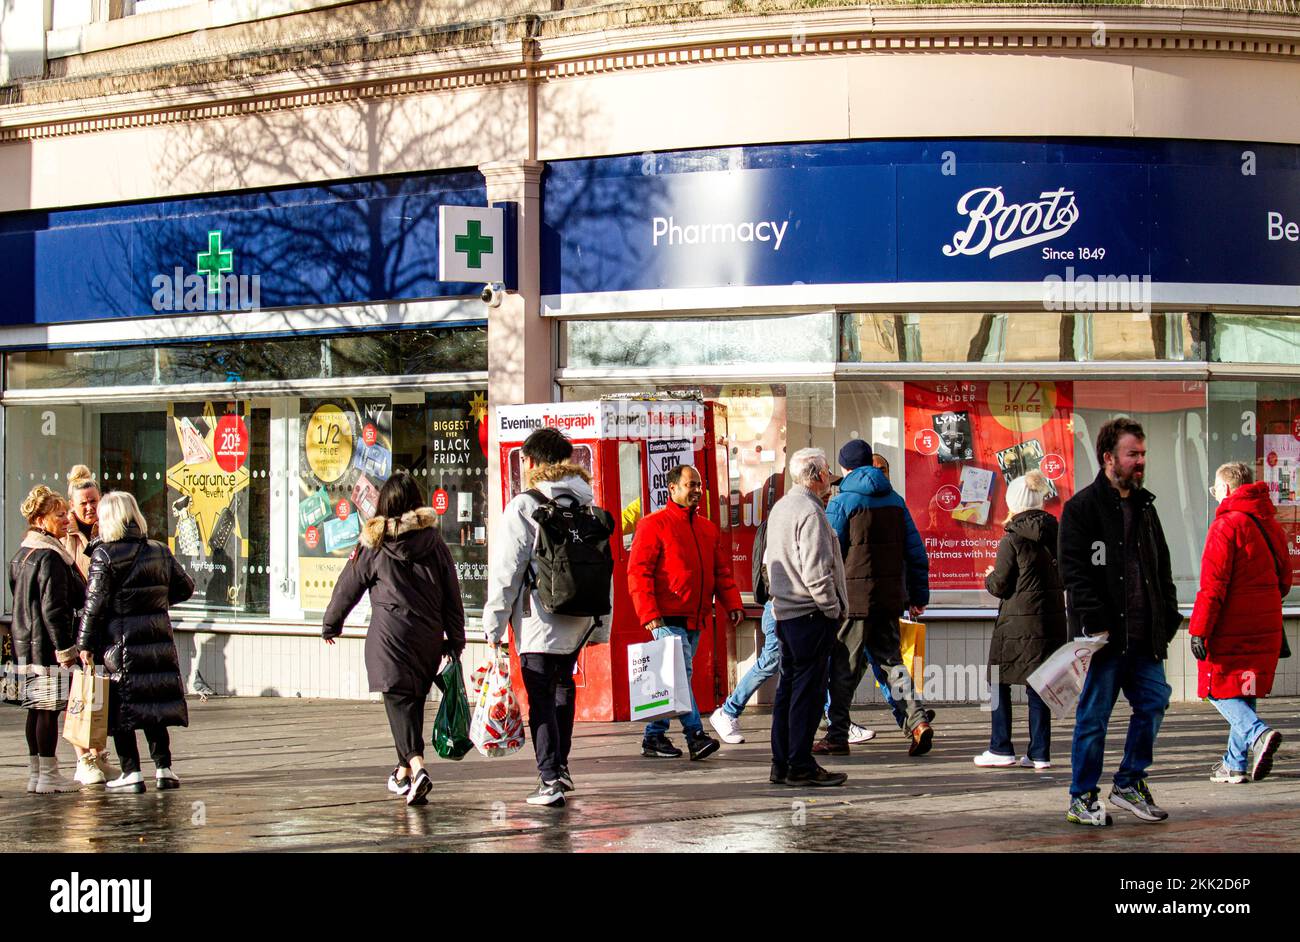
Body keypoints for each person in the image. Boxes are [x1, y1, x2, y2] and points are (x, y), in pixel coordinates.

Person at [1060, 417, 1181, 826]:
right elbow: (1073, 571)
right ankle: (1082, 796)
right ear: (1109, 458)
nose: (1141, 461)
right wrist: (1093, 621)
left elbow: (1160, 566)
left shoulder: (1145, 507)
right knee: (1093, 718)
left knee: (1154, 702)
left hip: (1145, 636)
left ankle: (1130, 781)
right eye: (1134, 454)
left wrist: (1169, 612)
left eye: (1143, 454)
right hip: (1104, 638)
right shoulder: (1081, 509)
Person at [483, 428, 612, 807]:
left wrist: (493, 627)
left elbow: (507, 571)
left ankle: (549, 777)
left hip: (539, 617)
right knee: (562, 689)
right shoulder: (587, 505)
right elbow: (604, 568)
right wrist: (601, 625)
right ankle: (561, 767)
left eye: (524, 460)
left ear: (533, 462)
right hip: (578, 618)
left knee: (540, 694)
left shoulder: (525, 506)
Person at [324, 472, 465, 807]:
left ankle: (417, 768)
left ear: (384, 504)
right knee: (411, 700)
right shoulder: (435, 543)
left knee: (399, 702)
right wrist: (455, 639)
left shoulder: (375, 544)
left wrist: (331, 623)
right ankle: (402, 770)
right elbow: (452, 594)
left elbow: (349, 586)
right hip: (428, 639)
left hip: (389, 638)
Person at [820, 439, 934, 757]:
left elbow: (828, 552)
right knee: (894, 665)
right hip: (888, 599)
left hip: (854, 601)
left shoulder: (842, 501)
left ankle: (837, 734)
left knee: (843, 668)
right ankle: (918, 722)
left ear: (845, 467)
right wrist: (918, 595)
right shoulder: (896, 500)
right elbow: (915, 552)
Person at [77, 491, 194, 793]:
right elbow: (185, 588)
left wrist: (85, 645)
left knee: (122, 707)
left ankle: (131, 771)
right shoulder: (158, 550)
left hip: (121, 643)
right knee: (153, 704)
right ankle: (164, 768)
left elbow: (95, 604)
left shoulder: (104, 555)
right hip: (156, 638)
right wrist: (153, 601)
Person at [627, 464, 744, 761]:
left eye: (699, 485)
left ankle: (654, 737)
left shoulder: (706, 528)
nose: (696, 490)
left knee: (670, 679)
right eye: (690, 485)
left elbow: (720, 571)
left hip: (695, 616)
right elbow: (638, 572)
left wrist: (733, 604)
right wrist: (649, 614)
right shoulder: (653, 524)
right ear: (673, 489)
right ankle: (695, 736)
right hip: (666, 617)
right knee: (680, 676)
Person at [1191, 462, 1290, 784]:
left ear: (1228, 490)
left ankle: (1258, 733)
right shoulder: (1270, 524)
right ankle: (1234, 764)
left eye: (1215, 490)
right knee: (1244, 690)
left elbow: (1213, 585)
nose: (1215, 496)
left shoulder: (1226, 526)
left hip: (1230, 624)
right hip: (1266, 622)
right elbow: (1285, 580)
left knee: (1215, 688)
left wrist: (1198, 629)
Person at [763, 448, 848, 787]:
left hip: (786, 613)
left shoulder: (782, 507)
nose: (830, 479)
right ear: (818, 475)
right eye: (827, 472)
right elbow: (816, 571)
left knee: (788, 691)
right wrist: (832, 608)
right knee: (807, 695)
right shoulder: (810, 512)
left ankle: (781, 762)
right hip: (809, 614)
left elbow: (770, 562)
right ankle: (799, 763)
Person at [977, 471, 1065, 770]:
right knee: (1040, 685)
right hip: (1050, 621)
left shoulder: (1012, 539)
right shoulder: (1058, 534)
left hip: (1016, 623)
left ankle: (1000, 747)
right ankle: (1040, 753)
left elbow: (1000, 585)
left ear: (1013, 502)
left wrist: (989, 575)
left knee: (998, 681)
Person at [9, 485, 85, 794]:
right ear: (41, 520)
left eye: (66, 514)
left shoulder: (21, 554)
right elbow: (54, 609)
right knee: (47, 710)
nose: (66, 520)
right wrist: (65, 649)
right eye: (59, 515)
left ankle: (36, 774)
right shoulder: (51, 557)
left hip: (23, 644)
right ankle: (48, 775)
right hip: (46, 646)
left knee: (35, 709)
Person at [62, 465, 117, 786]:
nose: (89, 507)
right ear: (73, 505)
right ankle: (83, 757)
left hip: (105, 623)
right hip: (78, 623)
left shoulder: (108, 530)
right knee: (80, 693)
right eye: (83, 502)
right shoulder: (67, 538)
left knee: (102, 691)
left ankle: (100, 752)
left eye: (93, 500)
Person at [709, 516, 780, 744]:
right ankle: (729, 710)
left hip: (782, 605)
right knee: (771, 660)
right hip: (781, 606)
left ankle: (834, 717)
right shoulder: (785, 520)